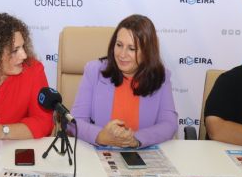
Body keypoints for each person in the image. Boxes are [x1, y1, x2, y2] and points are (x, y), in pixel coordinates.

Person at [71, 14, 178, 147]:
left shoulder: (161, 77)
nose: (122, 54)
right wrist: (100, 136)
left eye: (131, 49)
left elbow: (169, 124)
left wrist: (136, 139)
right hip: (98, 155)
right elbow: (74, 122)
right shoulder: (94, 71)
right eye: (119, 45)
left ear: (147, 52)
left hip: (141, 156)